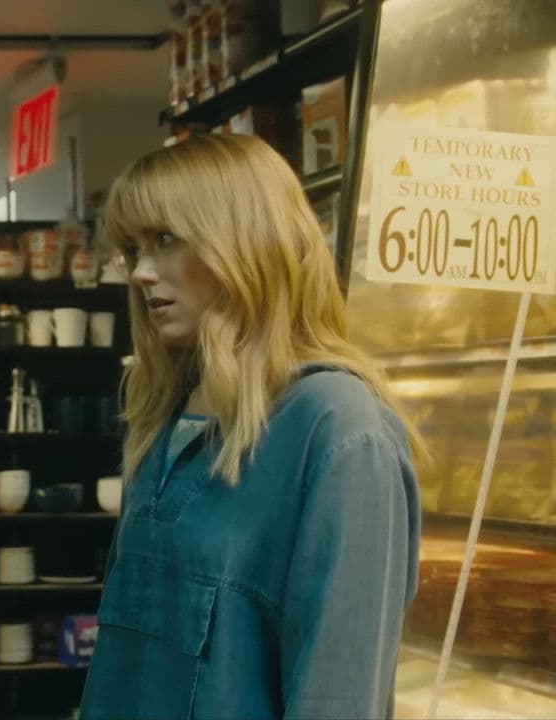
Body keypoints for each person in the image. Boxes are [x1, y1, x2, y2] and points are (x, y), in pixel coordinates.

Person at [79, 134, 422, 720]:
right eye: (133, 248)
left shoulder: (337, 430)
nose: (140, 272)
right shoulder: (165, 417)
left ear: (244, 241)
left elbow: (337, 698)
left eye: (165, 239)